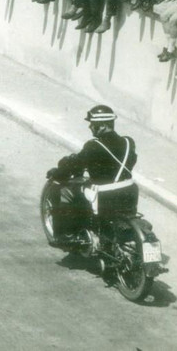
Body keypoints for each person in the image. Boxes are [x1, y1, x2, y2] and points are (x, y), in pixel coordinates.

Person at [48, 105, 138, 247]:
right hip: (129, 192)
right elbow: (131, 161)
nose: (90, 126)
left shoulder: (93, 145)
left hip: (105, 195)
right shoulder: (128, 142)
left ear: (102, 126)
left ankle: (65, 236)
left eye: (92, 124)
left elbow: (75, 165)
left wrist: (59, 172)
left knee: (64, 190)